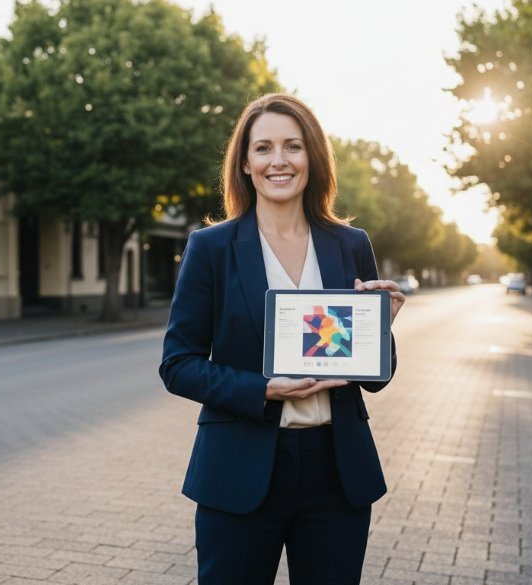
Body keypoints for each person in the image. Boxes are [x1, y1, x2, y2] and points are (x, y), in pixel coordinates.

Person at [159, 93, 405, 584]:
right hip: (239, 469)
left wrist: (378, 328)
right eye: (263, 147)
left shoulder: (350, 245)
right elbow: (178, 364)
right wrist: (263, 389)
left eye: (292, 146)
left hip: (336, 471)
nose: (279, 161)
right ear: (245, 163)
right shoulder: (211, 248)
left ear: (312, 157)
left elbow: (377, 377)